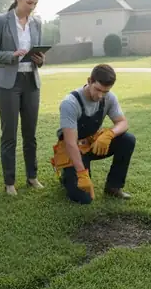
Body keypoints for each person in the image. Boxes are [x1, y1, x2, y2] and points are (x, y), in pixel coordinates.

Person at [0, 0, 46, 196]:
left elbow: (38, 54)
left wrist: (40, 60)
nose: (32, 7)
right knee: (9, 134)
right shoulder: (2, 21)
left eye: (35, 4)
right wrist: (11, 55)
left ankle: (32, 177)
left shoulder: (37, 23)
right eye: (29, 2)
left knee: (30, 134)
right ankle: (9, 182)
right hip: (8, 84)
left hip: (31, 81)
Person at [50, 64, 136, 204]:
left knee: (127, 140)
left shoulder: (109, 98)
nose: (100, 95)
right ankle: (67, 174)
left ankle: (113, 187)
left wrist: (109, 135)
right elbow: (70, 143)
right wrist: (82, 174)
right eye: (97, 89)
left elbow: (123, 123)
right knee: (84, 198)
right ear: (89, 81)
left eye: (105, 91)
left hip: (92, 145)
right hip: (73, 150)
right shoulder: (70, 103)